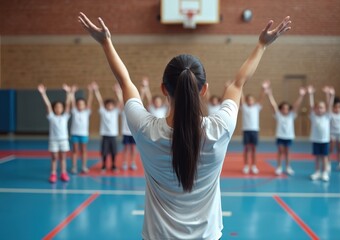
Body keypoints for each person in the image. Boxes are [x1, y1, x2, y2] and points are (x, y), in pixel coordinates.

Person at [79, 12, 291, 239]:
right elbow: (238, 84)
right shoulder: (220, 129)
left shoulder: (145, 130)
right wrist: (261, 45)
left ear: (163, 89)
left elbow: (125, 82)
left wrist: (105, 42)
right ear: (204, 89)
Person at [264, 81, 306, 176]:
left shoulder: (291, 115)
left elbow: (296, 105)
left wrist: (301, 96)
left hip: (289, 136)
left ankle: (287, 167)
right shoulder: (278, 115)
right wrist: (269, 95)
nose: (285, 110)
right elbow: (273, 105)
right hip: (280, 136)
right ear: (281, 109)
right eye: (283, 108)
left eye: (287, 108)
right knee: (280, 152)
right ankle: (279, 167)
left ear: (289, 109)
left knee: (287, 152)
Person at [38, 84, 71, 183]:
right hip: (54, 141)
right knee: (54, 158)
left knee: (63, 158)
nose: (58, 109)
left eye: (60, 107)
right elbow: (47, 105)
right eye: (56, 107)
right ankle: (53, 174)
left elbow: (68, 104)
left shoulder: (65, 116)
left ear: (62, 109)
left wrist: (69, 93)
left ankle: (63, 173)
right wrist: (43, 93)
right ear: (54, 108)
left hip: (63, 140)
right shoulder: (51, 117)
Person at [91, 82, 120, 172]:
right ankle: (103, 165)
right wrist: (96, 91)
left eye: (111, 105)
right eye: (108, 105)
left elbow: (121, 102)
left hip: (113, 135)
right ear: (105, 106)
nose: (110, 106)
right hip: (105, 135)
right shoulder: (103, 111)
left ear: (113, 106)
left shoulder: (115, 112)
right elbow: (100, 101)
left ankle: (113, 165)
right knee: (104, 152)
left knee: (113, 152)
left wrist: (117, 92)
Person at [240, 84, 268, 175]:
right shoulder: (244, 107)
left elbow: (261, 98)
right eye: (248, 100)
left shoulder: (256, 107)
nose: (250, 101)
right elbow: (242, 98)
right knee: (246, 149)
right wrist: (240, 88)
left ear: (254, 101)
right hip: (246, 130)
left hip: (254, 130)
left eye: (252, 99)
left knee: (254, 149)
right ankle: (246, 165)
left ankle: (254, 165)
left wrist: (263, 89)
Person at [307, 85, 333, 182]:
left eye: (322, 108)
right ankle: (317, 172)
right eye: (318, 108)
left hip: (324, 140)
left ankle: (324, 172)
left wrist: (329, 95)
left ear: (325, 109)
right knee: (317, 157)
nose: (319, 109)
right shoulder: (313, 116)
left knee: (325, 157)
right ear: (315, 109)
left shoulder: (327, 116)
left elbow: (329, 105)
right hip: (316, 140)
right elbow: (311, 106)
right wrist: (310, 94)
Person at [70, 84, 93, 174]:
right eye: (79, 104)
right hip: (75, 134)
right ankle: (74, 166)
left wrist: (90, 92)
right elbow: (72, 102)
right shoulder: (74, 111)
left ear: (85, 105)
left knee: (83, 150)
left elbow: (90, 102)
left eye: (82, 104)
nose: (80, 105)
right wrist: (72, 93)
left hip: (84, 134)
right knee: (75, 151)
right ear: (76, 105)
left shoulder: (87, 112)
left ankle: (84, 166)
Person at [114, 83, 138, 171]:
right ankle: (124, 162)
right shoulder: (124, 111)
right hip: (126, 132)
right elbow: (121, 101)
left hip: (133, 132)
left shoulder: (136, 111)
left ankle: (133, 162)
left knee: (133, 148)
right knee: (126, 148)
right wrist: (118, 92)